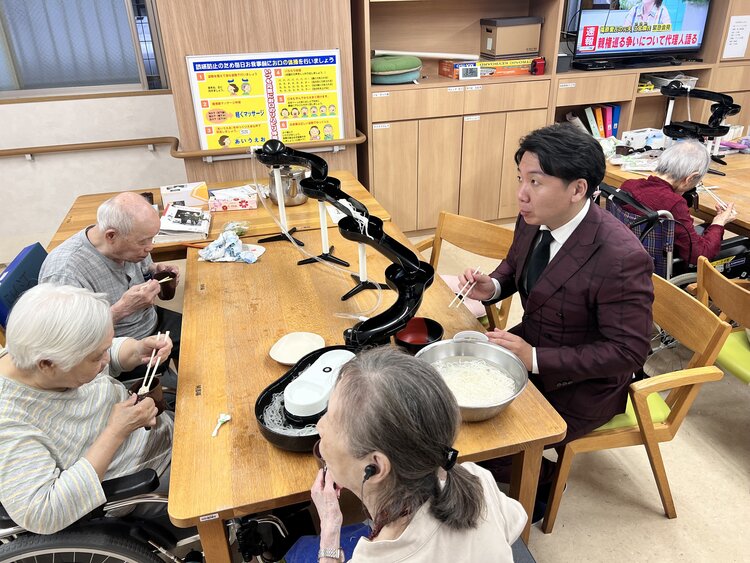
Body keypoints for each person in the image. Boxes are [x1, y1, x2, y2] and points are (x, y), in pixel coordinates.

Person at [459, 123, 654, 497]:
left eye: (535, 182)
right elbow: (515, 264)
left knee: (482, 445)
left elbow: (628, 352)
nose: (521, 194)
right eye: (520, 179)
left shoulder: (620, 257)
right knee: (450, 402)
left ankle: (544, 482)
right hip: (533, 343)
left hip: (584, 386)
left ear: (577, 189)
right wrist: (493, 286)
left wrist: (535, 358)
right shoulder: (535, 218)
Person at [309, 347, 526, 562]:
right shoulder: (477, 478)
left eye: (330, 419)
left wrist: (329, 534)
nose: (319, 426)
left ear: (375, 467)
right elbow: (515, 520)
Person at [0, 284, 173, 534]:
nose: (105, 359)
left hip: (162, 432)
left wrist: (136, 350)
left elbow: (102, 353)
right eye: (96, 358)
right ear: (47, 364)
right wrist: (116, 432)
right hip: (144, 481)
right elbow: (43, 513)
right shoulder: (9, 422)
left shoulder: (38, 351)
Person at [39, 191, 182, 379]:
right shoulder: (65, 272)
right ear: (111, 236)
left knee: (206, 336)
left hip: (150, 319)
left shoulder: (130, 241)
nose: (150, 247)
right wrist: (122, 309)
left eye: (152, 238)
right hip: (116, 350)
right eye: (143, 241)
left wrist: (155, 270)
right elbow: (69, 340)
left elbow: (144, 267)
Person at [620, 140, 737, 265]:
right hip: (656, 268)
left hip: (626, 258)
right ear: (691, 178)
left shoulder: (628, 185)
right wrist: (719, 222)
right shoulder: (674, 204)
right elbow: (698, 255)